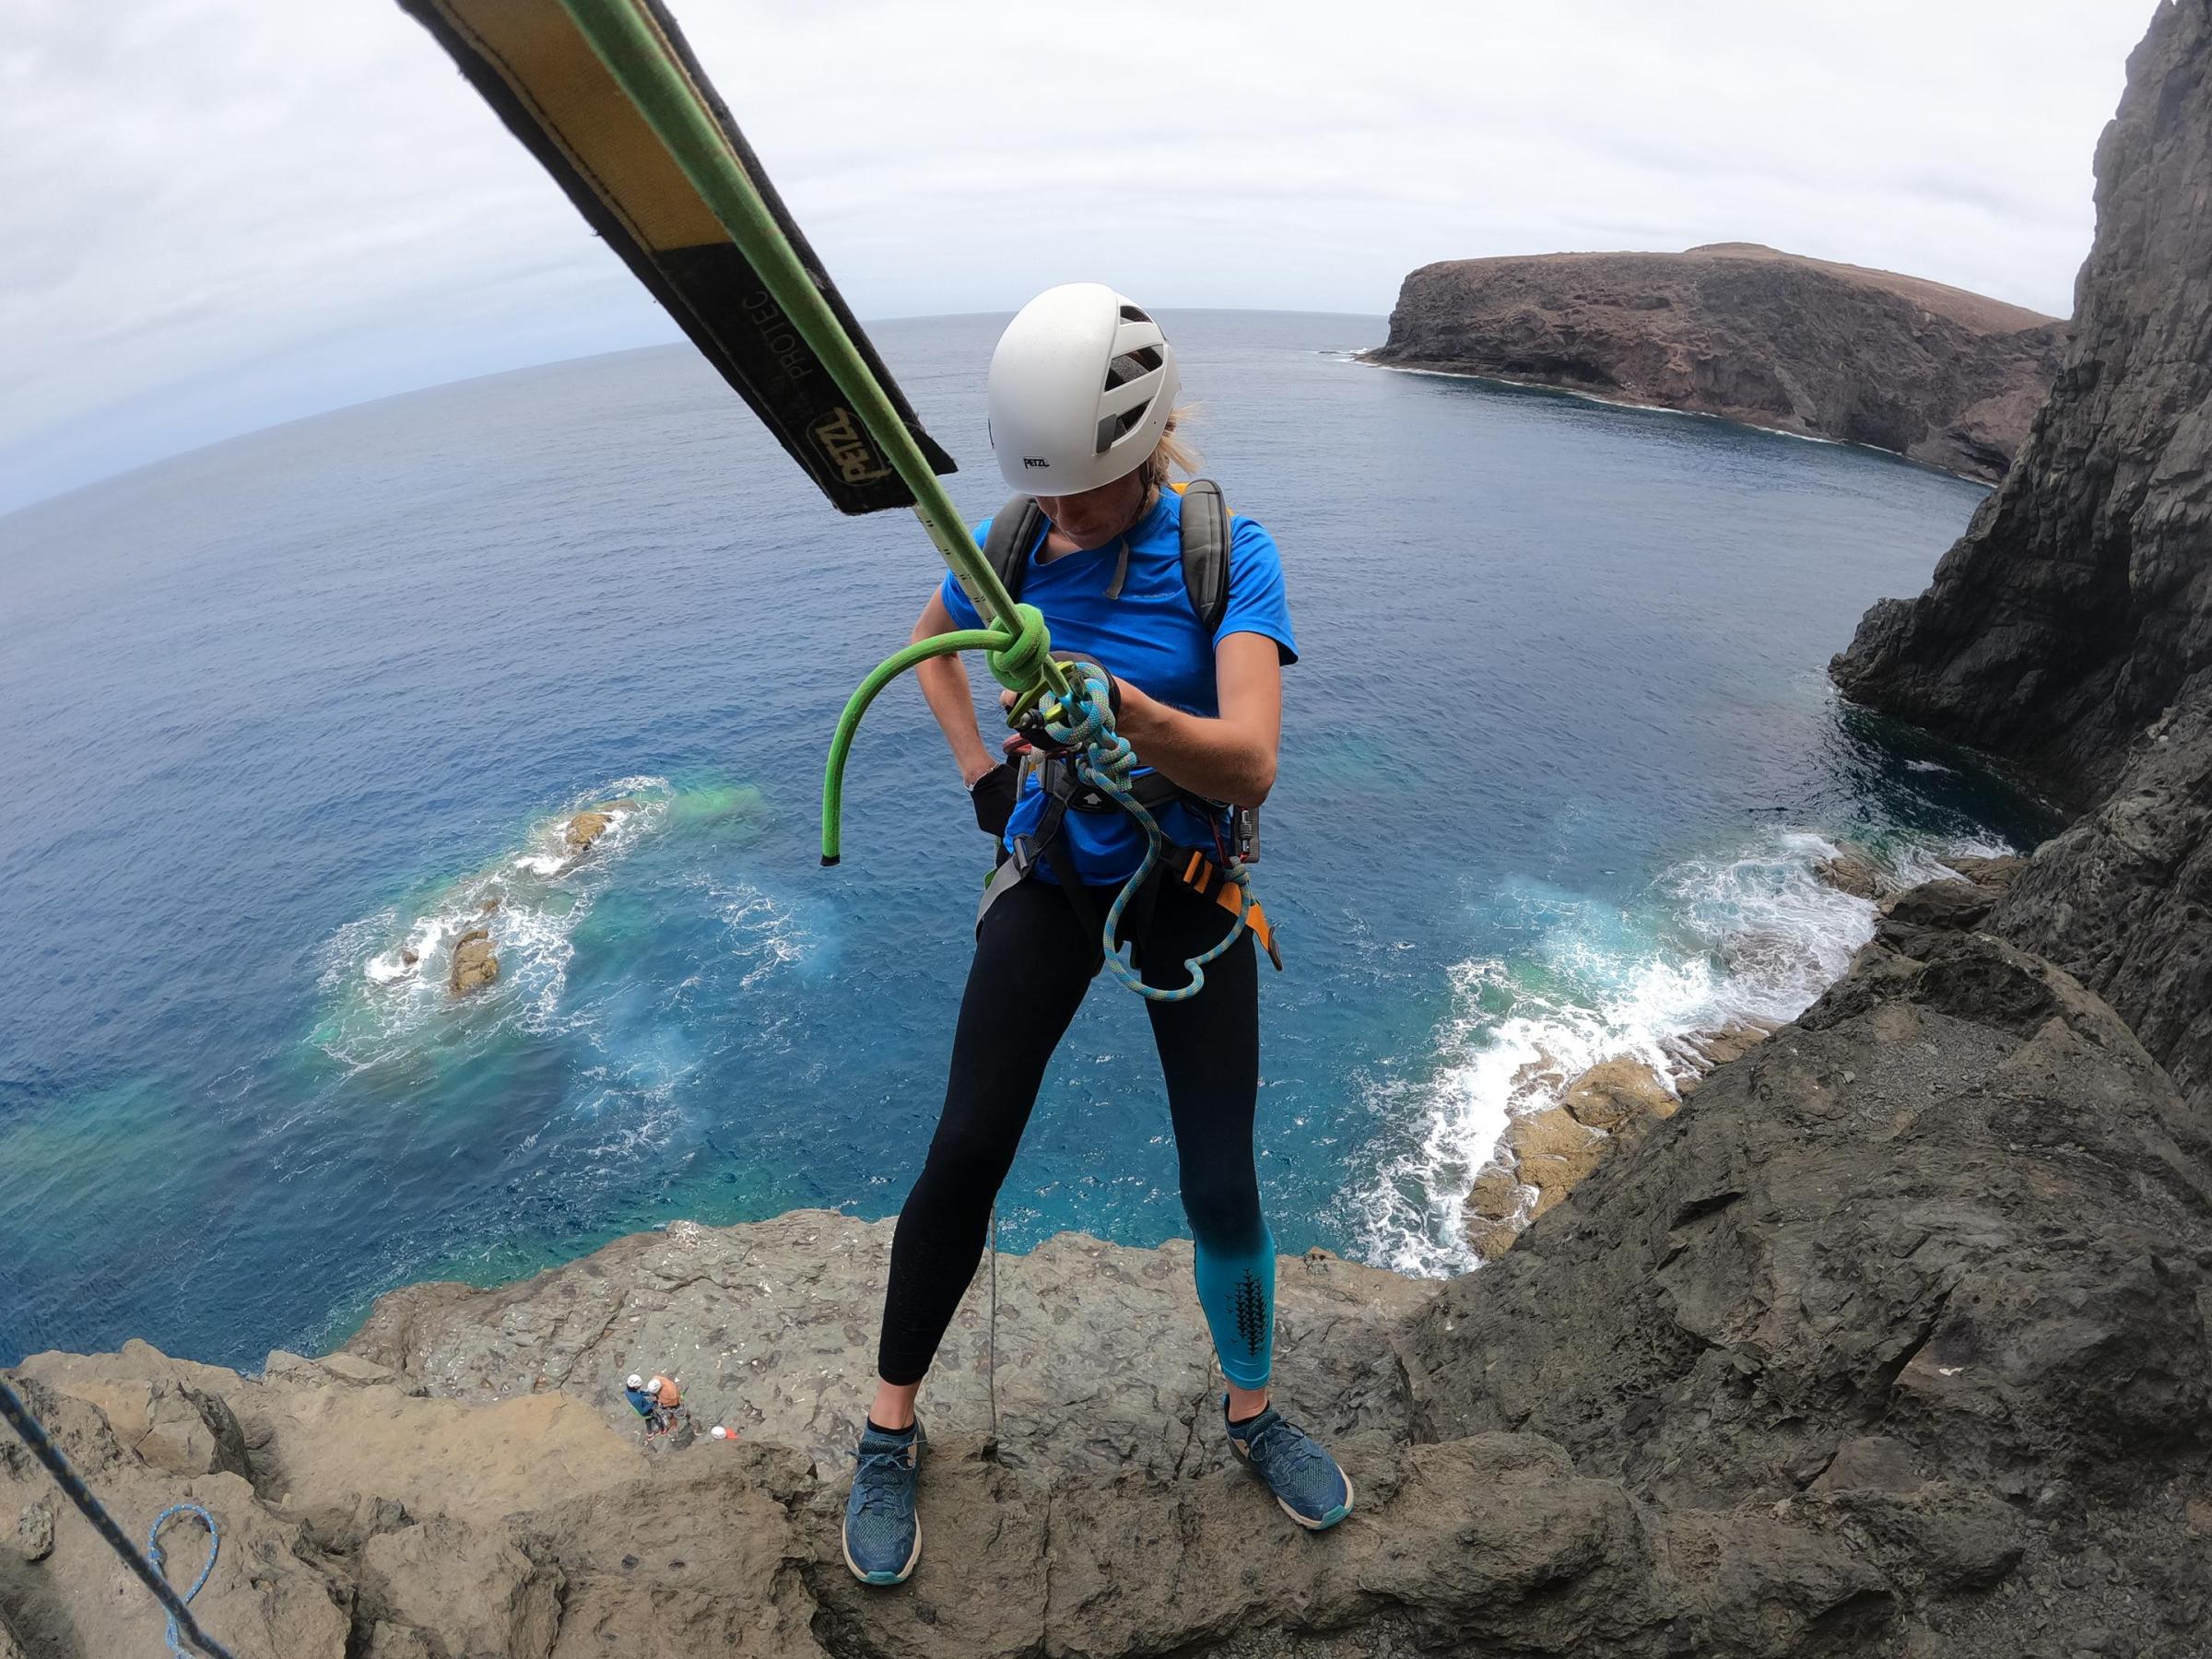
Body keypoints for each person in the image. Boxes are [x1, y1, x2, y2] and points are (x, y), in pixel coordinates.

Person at [841, 285, 1350, 1588]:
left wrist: (1129, 711)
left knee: (1219, 1179)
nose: (1065, 520)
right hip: (1056, 870)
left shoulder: (1225, 551)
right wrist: (985, 786)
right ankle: (888, 1428)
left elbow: (1250, 765)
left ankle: (1252, 1411)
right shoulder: (1011, 544)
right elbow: (933, 649)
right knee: (964, 1150)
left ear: (1145, 447)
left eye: (1087, 494)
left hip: (1186, 879)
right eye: (1049, 497)